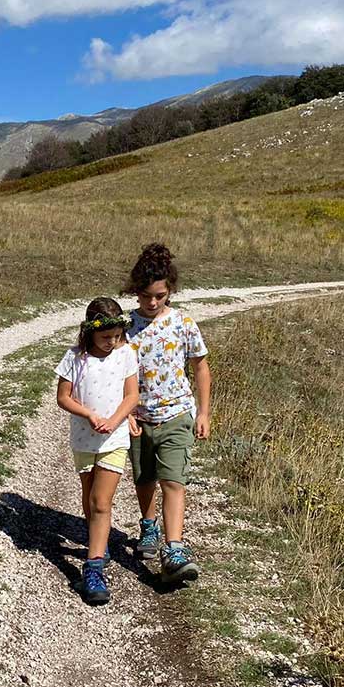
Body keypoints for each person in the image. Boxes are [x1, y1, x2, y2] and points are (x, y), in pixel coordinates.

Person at [124, 243, 210, 582]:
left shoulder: (184, 324)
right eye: (146, 296)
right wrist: (124, 414)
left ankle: (174, 548)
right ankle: (148, 526)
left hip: (177, 414)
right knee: (144, 479)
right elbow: (115, 371)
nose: (152, 302)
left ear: (169, 291)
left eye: (159, 295)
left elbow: (200, 367)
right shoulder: (125, 327)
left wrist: (203, 413)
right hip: (138, 418)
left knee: (173, 481)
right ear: (136, 292)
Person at [55, 297, 139, 605]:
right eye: (106, 337)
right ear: (90, 332)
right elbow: (62, 397)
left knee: (102, 502)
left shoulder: (126, 355)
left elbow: (132, 396)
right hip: (83, 439)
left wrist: (116, 420)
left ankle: (93, 568)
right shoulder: (74, 358)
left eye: (117, 336)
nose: (112, 342)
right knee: (90, 500)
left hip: (114, 439)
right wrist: (88, 414)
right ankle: (97, 543)